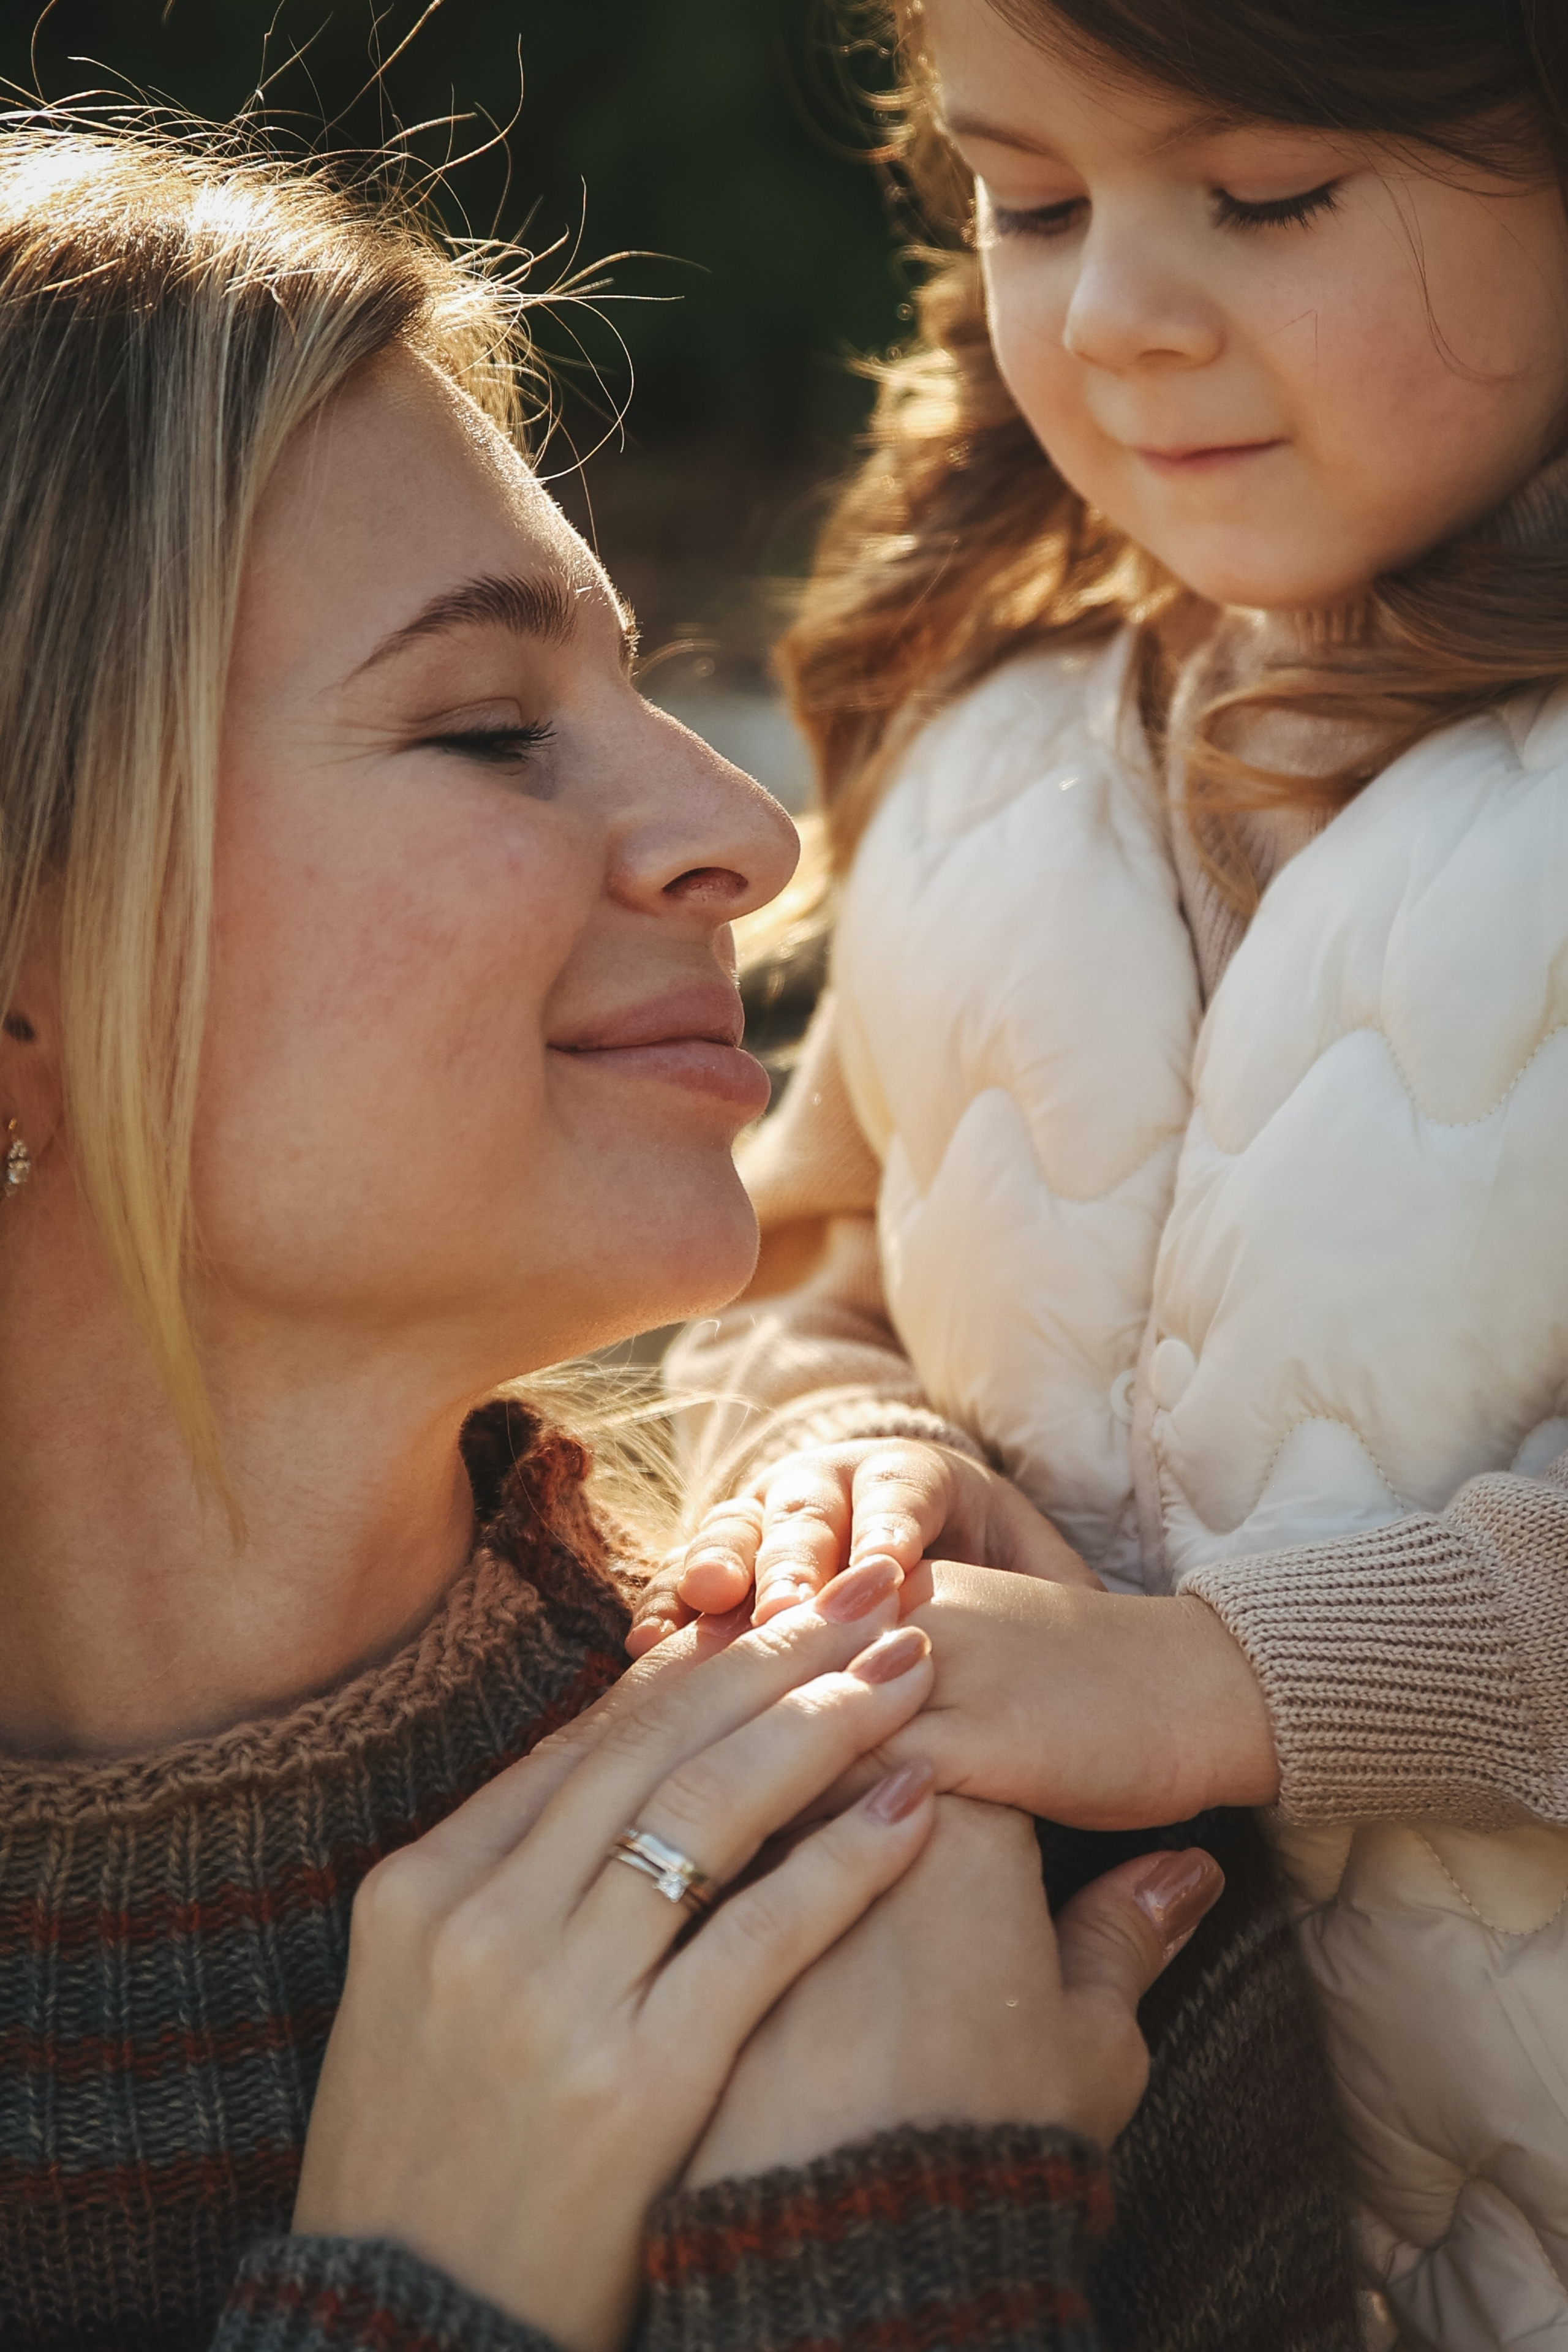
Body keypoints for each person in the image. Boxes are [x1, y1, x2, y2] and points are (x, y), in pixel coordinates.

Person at [0, 110, 1243, 2352]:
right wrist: (431, 2302)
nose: (745, 832)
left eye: (643, 687)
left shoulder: (1002, 1859)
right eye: (490, 727)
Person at [644, 2, 1568, 2345]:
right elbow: (805, 1261)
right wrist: (845, 1460)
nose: (1117, 313)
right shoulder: (989, 755)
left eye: (1266, 195)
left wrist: (1223, 1683)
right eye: (1032, 200)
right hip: (1133, 2244)